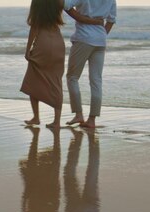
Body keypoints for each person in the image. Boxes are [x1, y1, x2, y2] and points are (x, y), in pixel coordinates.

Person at [21, 0, 103, 129]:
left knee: (33, 80)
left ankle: (36, 117)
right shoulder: (58, 2)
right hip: (58, 43)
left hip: (43, 43)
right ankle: (56, 121)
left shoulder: (38, 2)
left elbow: (34, 27)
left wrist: (27, 50)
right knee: (56, 81)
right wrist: (96, 22)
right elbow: (77, 16)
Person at [63, 0, 117, 128]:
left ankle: (78, 114)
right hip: (100, 39)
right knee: (96, 80)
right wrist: (100, 33)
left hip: (83, 38)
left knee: (72, 77)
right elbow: (111, 20)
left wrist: (84, 20)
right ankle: (92, 120)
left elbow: (65, 5)